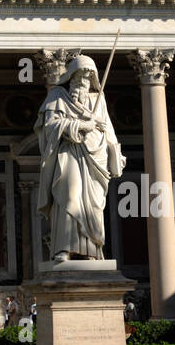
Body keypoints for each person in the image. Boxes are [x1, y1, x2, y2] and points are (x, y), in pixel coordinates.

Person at [34, 53, 125, 262]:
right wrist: (81, 125)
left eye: (86, 79)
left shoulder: (98, 99)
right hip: (68, 154)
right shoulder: (57, 96)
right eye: (78, 78)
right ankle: (63, 248)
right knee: (69, 195)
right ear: (70, 78)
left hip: (94, 158)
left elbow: (109, 132)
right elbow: (50, 127)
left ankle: (91, 250)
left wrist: (115, 154)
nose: (82, 84)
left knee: (92, 206)